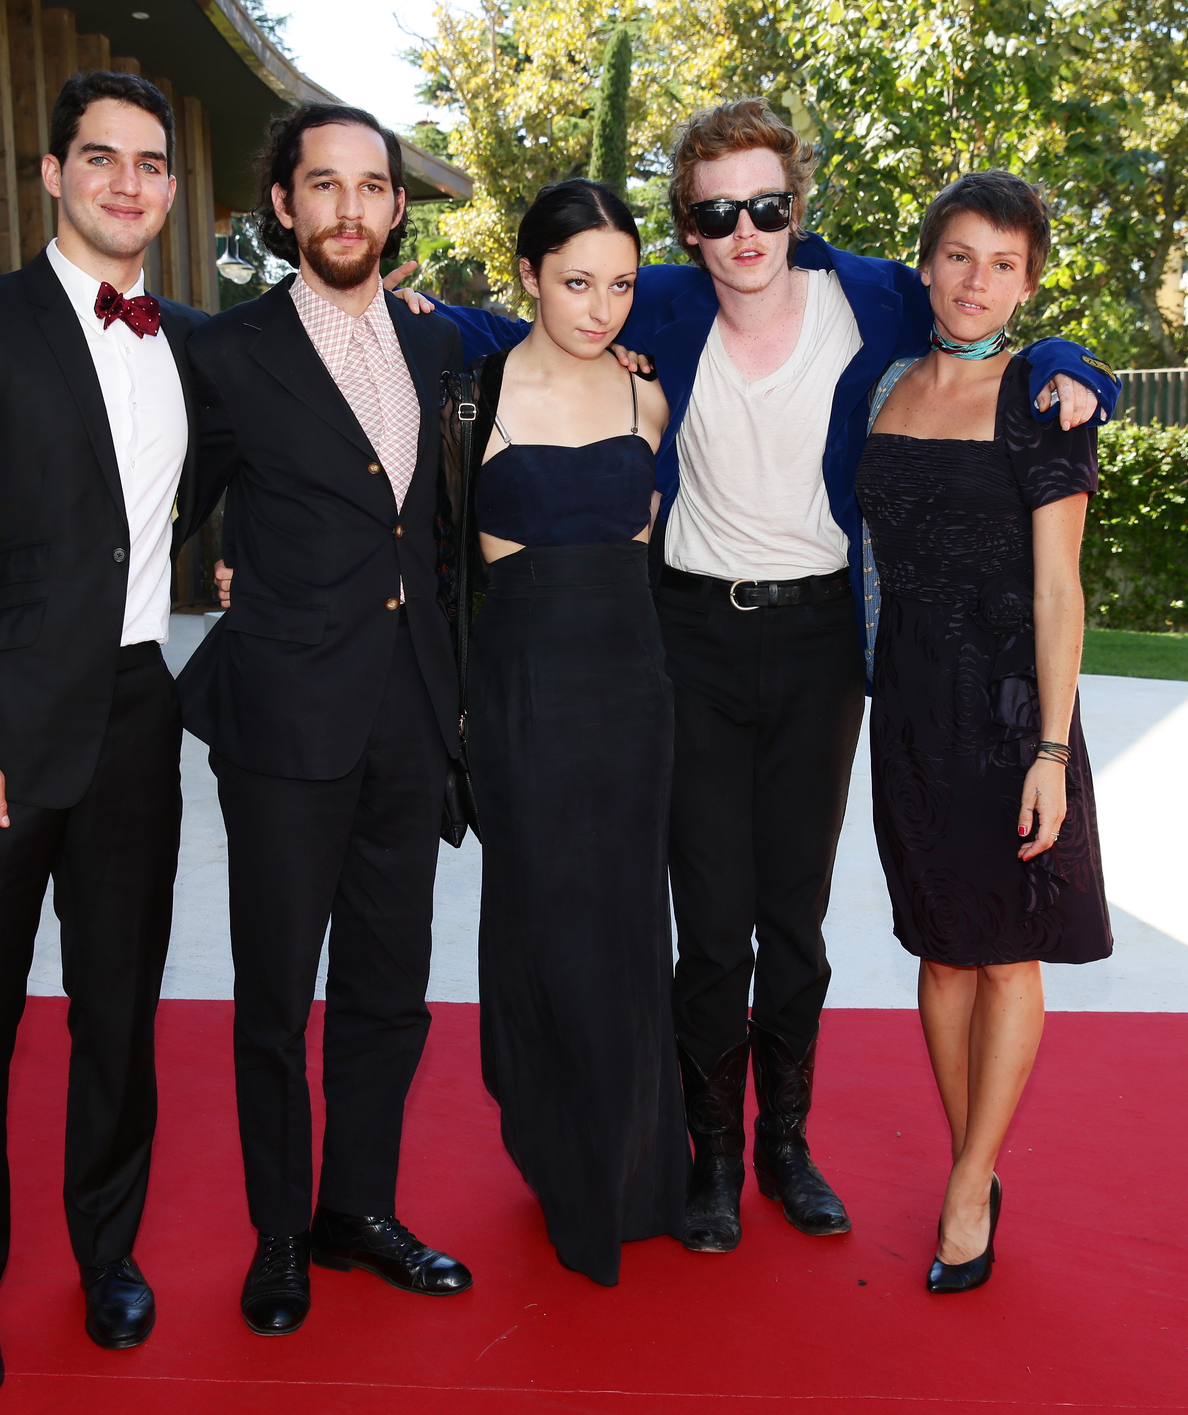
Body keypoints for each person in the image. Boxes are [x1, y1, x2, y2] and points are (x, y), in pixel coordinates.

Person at [394, 99, 1117, 1254]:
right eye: (718, 211)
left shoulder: (869, 295)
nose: (745, 231)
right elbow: (533, 315)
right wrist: (409, 312)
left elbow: (989, 313)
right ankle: (712, 1156)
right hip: (682, 640)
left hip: (822, 642)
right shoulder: (663, 301)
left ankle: (784, 1140)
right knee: (711, 920)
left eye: (766, 206)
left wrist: (1086, 371)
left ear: (796, 204)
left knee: (795, 915)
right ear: (686, 225)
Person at [0, 72, 207, 1398]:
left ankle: (107, 1251)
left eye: (149, 163)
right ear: (53, 174)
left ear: (172, 189)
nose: (127, 182)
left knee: (119, 1016)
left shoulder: (194, 337)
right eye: (100, 158)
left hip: (137, 717)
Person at [175, 103, 472, 1339]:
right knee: (271, 996)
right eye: (323, 187)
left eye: (371, 186)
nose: (350, 208)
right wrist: (217, 580)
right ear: (283, 207)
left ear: (397, 207)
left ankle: (359, 1207)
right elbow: (163, 506)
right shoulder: (226, 352)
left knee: (389, 989)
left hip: (413, 712)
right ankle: (279, 1233)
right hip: (284, 721)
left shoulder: (440, 348)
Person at [854, 170, 1113, 1294]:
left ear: (1029, 282)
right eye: (957, 255)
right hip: (906, 701)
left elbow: (1060, 591)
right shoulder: (879, 389)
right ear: (924, 265)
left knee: (1003, 949)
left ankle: (968, 1188)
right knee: (938, 944)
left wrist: (1051, 751)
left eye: (1002, 263)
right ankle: (976, 1158)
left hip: (1010, 707)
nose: (975, 281)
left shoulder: (1043, 399)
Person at [455, 179, 683, 1285]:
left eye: (621, 285)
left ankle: (640, 1169)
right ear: (529, 275)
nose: (600, 308)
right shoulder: (471, 397)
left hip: (632, 692)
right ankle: (563, 1157)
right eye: (577, 281)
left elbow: (640, 550)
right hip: (526, 696)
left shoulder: (648, 400)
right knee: (550, 929)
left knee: (634, 932)